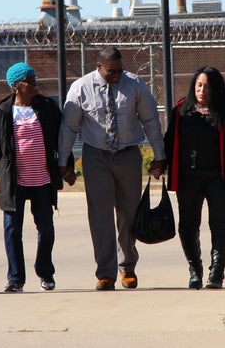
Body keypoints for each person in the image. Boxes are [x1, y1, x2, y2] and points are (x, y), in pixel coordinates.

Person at [58, 46, 166, 291]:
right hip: (96, 156)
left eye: (120, 70)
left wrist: (159, 157)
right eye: (111, 72)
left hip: (128, 154)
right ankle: (105, 272)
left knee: (129, 212)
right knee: (100, 215)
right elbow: (68, 128)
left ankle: (127, 266)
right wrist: (64, 162)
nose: (116, 75)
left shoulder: (135, 84)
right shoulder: (80, 88)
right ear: (99, 67)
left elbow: (150, 121)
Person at [164, 66, 225, 289]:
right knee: (187, 226)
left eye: (208, 86)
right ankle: (195, 269)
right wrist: (159, 164)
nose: (202, 90)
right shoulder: (181, 110)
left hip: (219, 179)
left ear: (216, 89)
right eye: (199, 85)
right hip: (188, 179)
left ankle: (216, 272)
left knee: (220, 224)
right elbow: (169, 142)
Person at [0, 63, 76, 293]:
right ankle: (15, 278)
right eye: (29, 81)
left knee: (46, 229)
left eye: (35, 79)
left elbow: (62, 140)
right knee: (12, 230)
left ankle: (45, 272)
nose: (35, 84)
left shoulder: (47, 107)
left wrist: (67, 167)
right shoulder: (4, 112)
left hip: (43, 180)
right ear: (15, 86)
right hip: (14, 183)